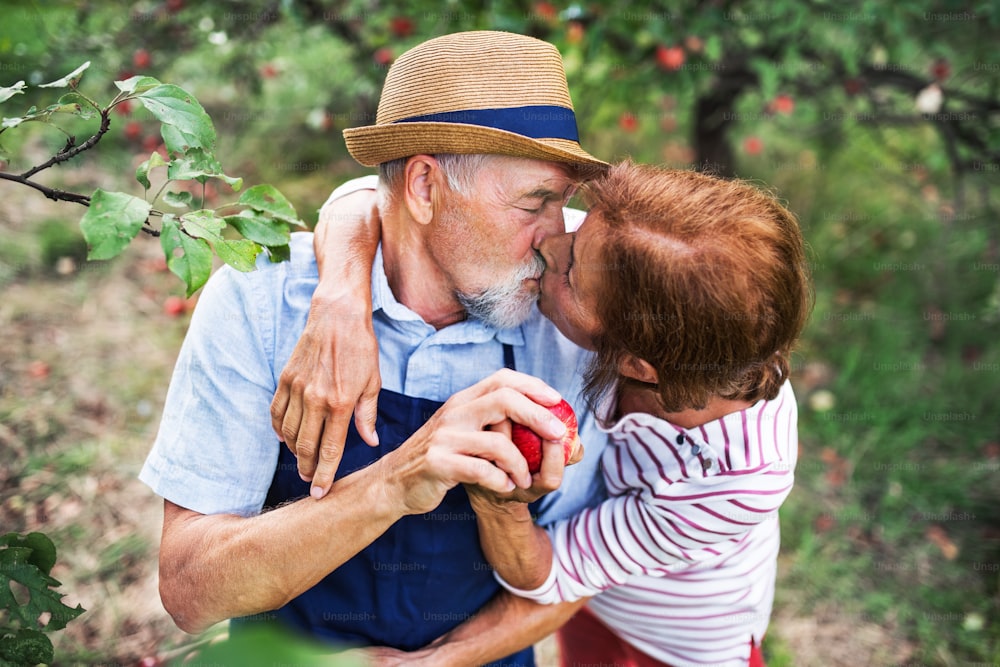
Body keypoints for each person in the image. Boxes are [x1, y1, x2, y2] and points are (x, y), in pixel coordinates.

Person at [139, 30, 610, 666]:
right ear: (424, 187)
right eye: (537, 202)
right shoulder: (262, 302)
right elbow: (191, 591)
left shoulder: (580, 303)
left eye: (565, 203)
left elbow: (580, 568)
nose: (557, 237)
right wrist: (397, 481)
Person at [280, 162, 812, 666]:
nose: (551, 248)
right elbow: (373, 197)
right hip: (594, 602)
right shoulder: (629, 259)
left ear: (635, 364)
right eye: (577, 238)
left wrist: (500, 506)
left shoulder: (738, 475)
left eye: (573, 271)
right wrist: (341, 302)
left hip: (679, 638)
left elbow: (552, 572)